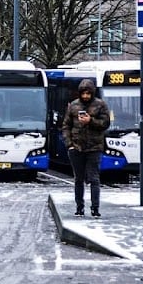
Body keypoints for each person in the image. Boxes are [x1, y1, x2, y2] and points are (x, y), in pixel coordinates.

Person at [61, 79, 110, 218]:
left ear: (92, 93)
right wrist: (69, 144)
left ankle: (95, 208)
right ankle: (79, 207)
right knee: (78, 179)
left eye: (88, 93)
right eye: (84, 93)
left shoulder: (101, 105)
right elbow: (66, 126)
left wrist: (91, 121)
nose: (86, 96)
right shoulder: (73, 106)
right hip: (76, 148)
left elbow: (105, 123)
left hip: (94, 147)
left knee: (94, 178)